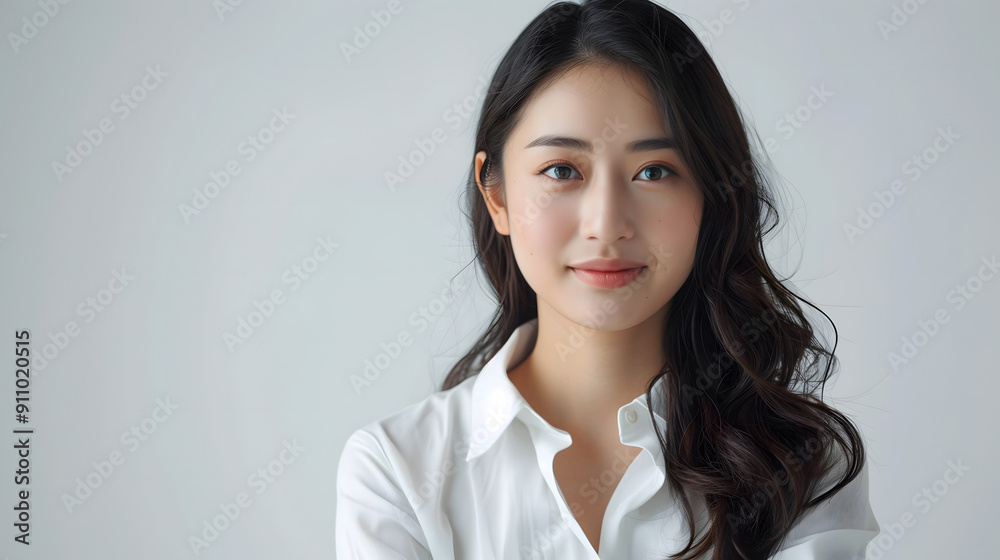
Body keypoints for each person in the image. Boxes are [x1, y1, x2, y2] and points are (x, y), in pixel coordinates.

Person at [336, 1, 879, 558]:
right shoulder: (396, 470)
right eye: (562, 170)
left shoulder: (801, 462)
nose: (606, 224)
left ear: (710, 195)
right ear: (496, 194)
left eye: (654, 171)